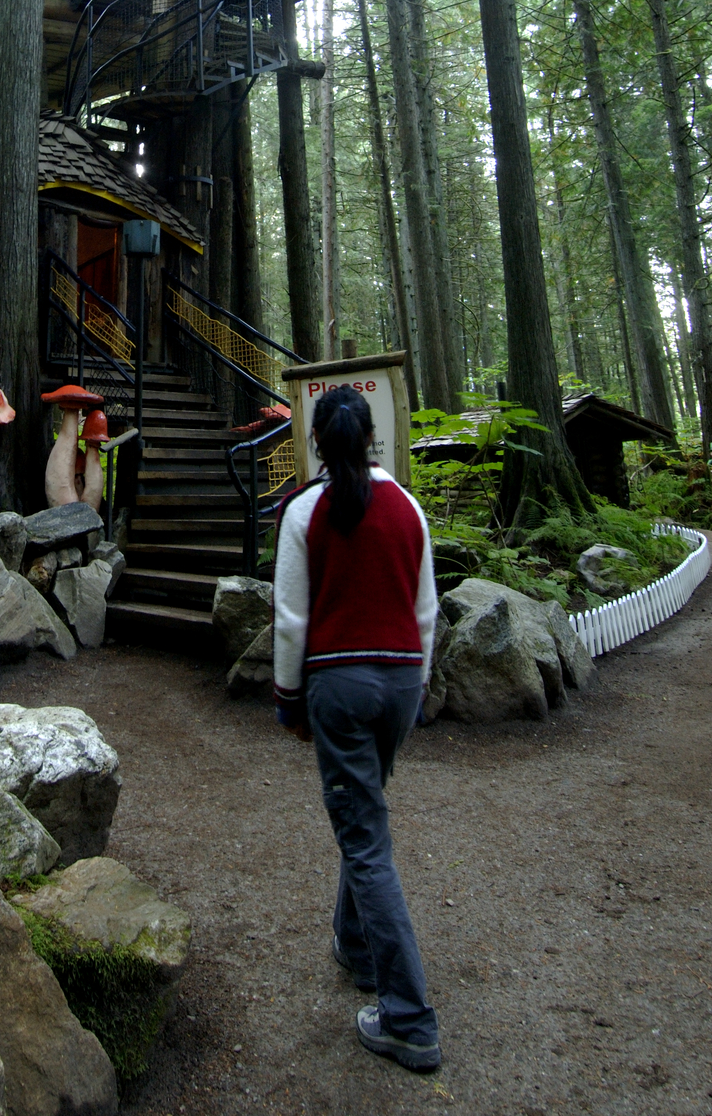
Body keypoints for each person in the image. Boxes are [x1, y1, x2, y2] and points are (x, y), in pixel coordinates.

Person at [273, 384, 441, 1073]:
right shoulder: (408, 505)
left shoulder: (305, 510)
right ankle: (356, 943)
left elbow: (291, 617)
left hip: (338, 683)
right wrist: (419, 686)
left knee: (365, 837)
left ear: (314, 439)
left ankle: (409, 1016)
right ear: (373, 436)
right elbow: (426, 609)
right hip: (401, 678)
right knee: (363, 810)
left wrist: (289, 700)